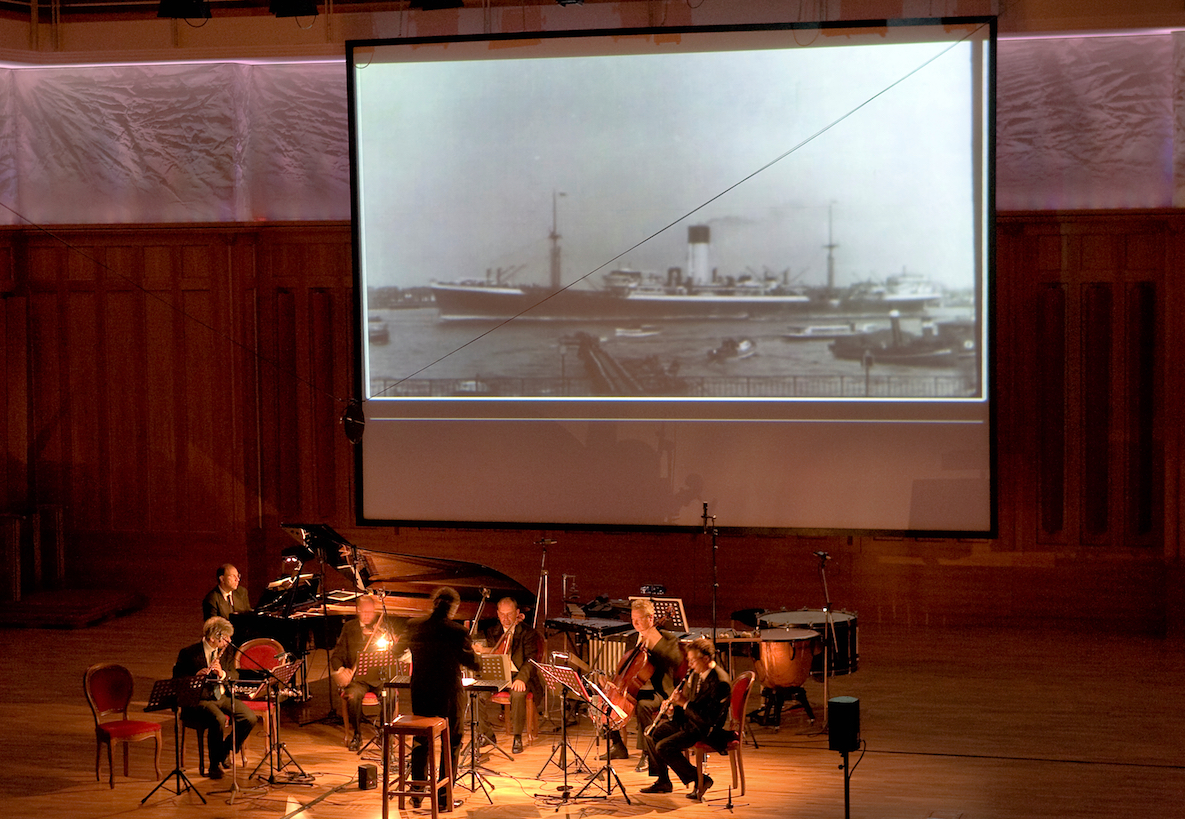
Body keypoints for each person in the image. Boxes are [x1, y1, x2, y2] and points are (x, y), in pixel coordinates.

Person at [402, 586, 479, 811]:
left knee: (421, 740)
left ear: (434, 602)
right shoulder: (457, 631)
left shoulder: (413, 625)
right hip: (448, 694)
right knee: (451, 742)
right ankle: (444, 798)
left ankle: (416, 793)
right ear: (453, 608)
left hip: (421, 692)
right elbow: (473, 663)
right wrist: (476, 656)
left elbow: (397, 650)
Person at [640, 636, 731, 800]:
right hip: (691, 723)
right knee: (650, 733)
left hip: (707, 730)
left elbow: (708, 718)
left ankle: (701, 779)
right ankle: (663, 781)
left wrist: (684, 703)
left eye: (693, 661)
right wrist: (672, 710)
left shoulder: (720, 682)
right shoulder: (697, 674)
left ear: (706, 658)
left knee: (663, 747)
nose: (689, 665)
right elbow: (690, 706)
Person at [172, 616, 259, 779]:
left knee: (249, 718)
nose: (229, 641)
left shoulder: (227, 650)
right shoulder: (189, 653)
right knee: (218, 719)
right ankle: (214, 765)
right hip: (201, 699)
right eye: (225, 638)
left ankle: (224, 750)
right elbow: (177, 680)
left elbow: (234, 673)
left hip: (222, 695)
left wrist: (223, 674)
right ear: (212, 638)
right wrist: (195, 677)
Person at [603, 598, 684, 761]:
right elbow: (627, 667)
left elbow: (675, 661)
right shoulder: (633, 639)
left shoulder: (667, 639)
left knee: (642, 706)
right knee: (606, 702)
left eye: (639, 619)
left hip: (658, 690)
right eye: (633, 619)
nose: (635, 623)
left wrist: (654, 642)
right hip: (634, 687)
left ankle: (648, 754)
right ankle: (618, 746)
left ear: (651, 618)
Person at [475, 597, 544, 754]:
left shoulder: (528, 633)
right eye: (502, 615)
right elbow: (492, 653)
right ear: (498, 614)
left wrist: (521, 678)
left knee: (518, 694)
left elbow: (531, 661)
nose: (506, 619)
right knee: (476, 694)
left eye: (510, 614)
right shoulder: (493, 632)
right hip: (498, 676)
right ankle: (487, 734)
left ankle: (517, 736)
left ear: (517, 613)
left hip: (519, 675)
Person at [329, 594, 395, 751]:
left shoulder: (383, 628)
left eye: (371, 612)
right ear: (358, 610)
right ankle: (357, 735)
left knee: (391, 695)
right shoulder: (349, 628)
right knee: (352, 696)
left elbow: (392, 653)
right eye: (364, 612)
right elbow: (337, 655)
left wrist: (389, 644)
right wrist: (341, 670)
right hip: (358, 680)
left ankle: (383, 731)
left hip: (379, 677)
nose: (368, 616)